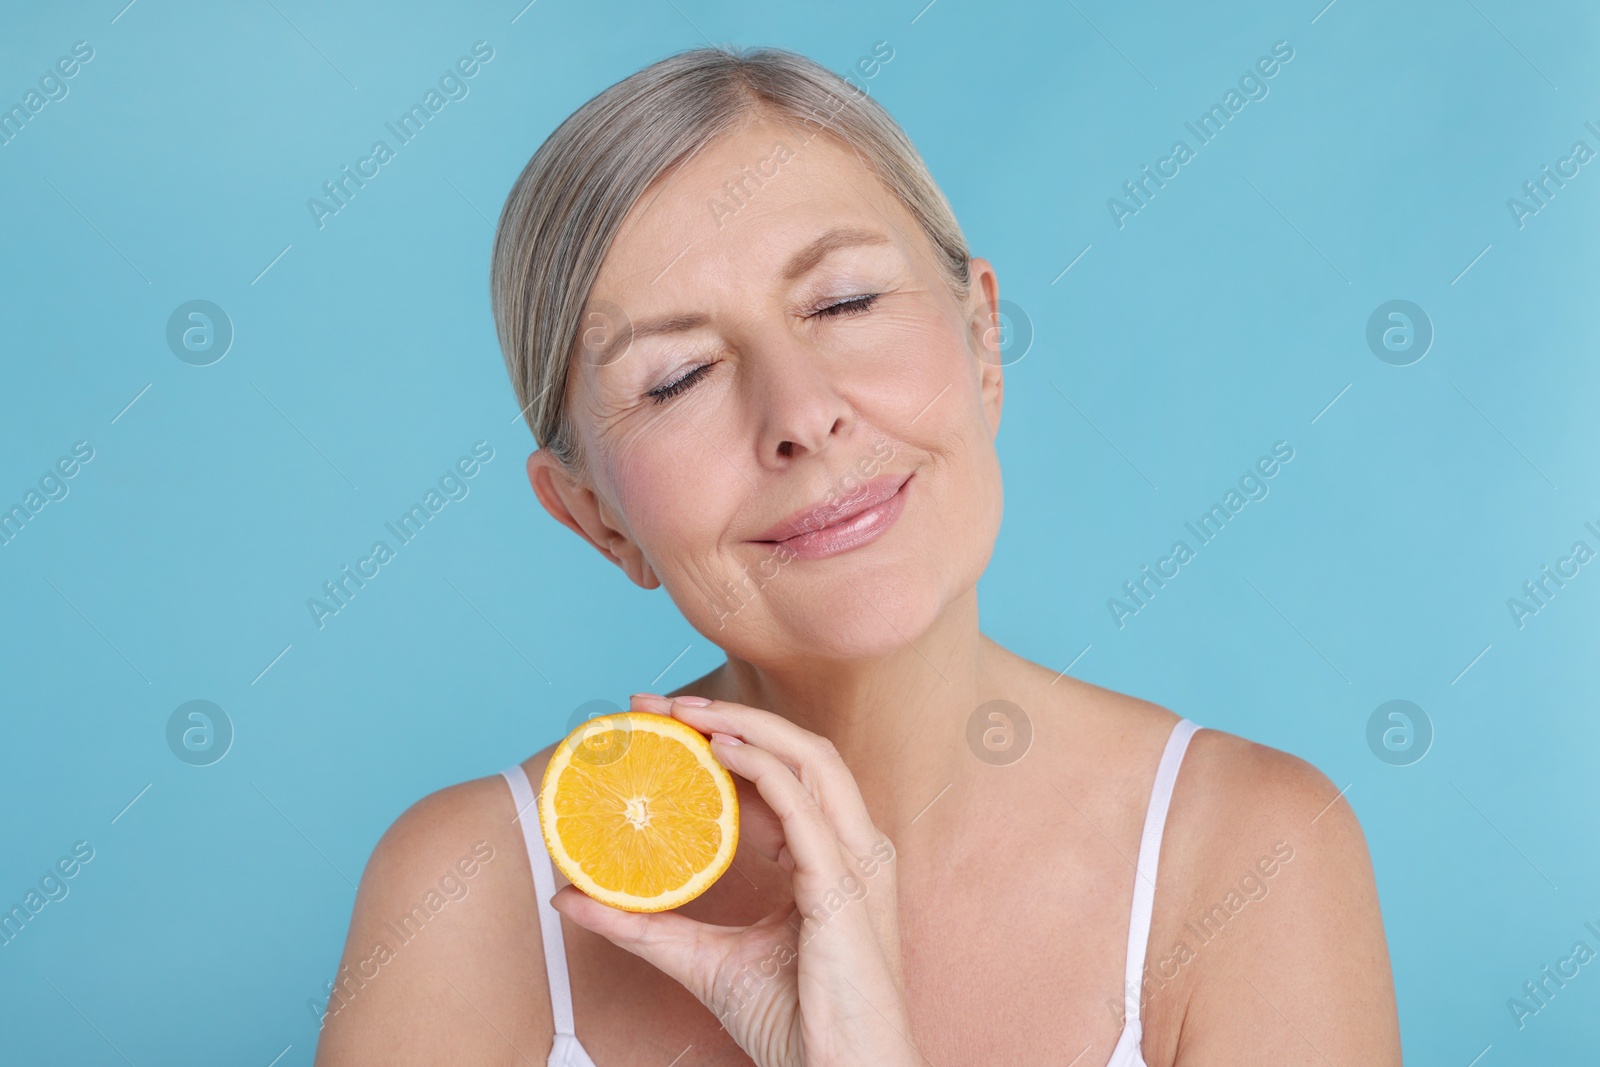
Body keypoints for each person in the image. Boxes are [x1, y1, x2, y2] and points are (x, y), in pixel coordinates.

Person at [314, 45, 1401, 1066]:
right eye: (678, 375)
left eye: (842, 301)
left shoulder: (1249, 856)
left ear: (982, 340)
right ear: (595, 517)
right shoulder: (466, 896)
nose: (802, 414)